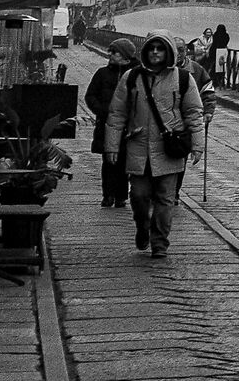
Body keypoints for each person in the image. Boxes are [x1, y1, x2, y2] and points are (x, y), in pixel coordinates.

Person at [99, 34, 207, 259]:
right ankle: (142, 226)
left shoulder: (184, 79)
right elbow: (117, 114)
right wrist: (111, 146)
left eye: (160, 48)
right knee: (138, 195)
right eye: (151, 48)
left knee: (165, 198)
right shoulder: (132, 77)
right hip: (138, 146)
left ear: (168, 52)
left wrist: (197, 144)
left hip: (169, 148)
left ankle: (160, 243)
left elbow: (194, 113)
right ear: (145, 51)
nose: (155, 52)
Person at [86, 41, 136, 208]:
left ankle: (121, 196)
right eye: (111, 52)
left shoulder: (134, 75)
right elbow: (90, 96)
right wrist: (102, 111)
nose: (111, 55)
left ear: (125, 55)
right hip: (106, 124)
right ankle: (108, 195)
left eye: (115, 52)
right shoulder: (102, 74)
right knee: (108, 161)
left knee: (124, 162)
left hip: (128, 126)